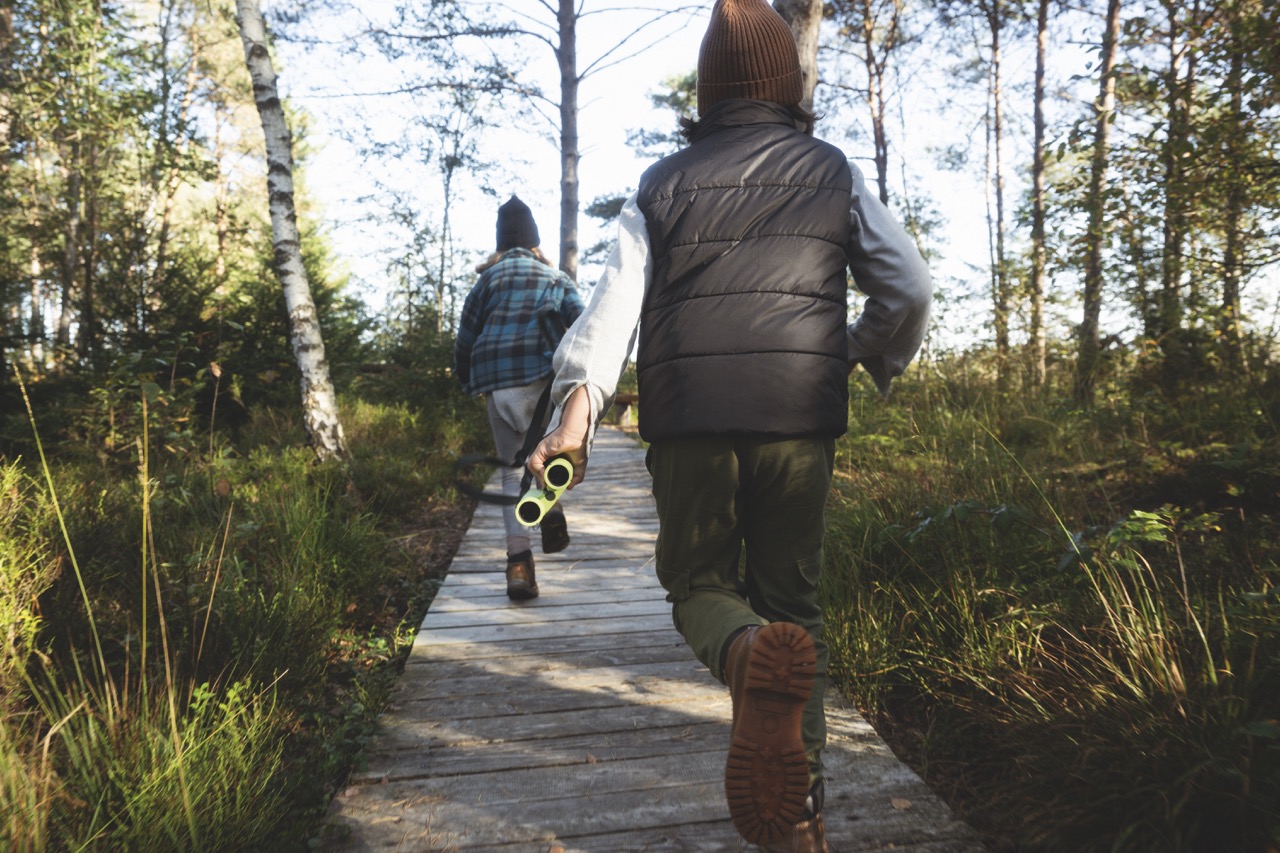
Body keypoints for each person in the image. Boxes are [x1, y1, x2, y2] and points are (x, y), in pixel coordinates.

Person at [526, 0, 932, 848]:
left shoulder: (662, 184)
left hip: (690, 424)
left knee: (698, 584)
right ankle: (803, 821)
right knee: (798, 605)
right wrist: (851, 352)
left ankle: (745, 654)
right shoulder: (831, 170)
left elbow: (612, 309)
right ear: (788, 86)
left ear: (706, 96)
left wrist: (577, 413)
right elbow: (909, 289)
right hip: (798, 418)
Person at [454, 194, 585, 601]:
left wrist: (467, 381)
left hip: (498, 382)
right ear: (534, 242)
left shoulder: (486, 281)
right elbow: (581, 325)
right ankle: (552, 507)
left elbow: (465, 337)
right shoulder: (555, 278)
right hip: (544, 382)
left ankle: (518, 567)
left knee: (514, 470)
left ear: (500, 243)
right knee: (551, 456)